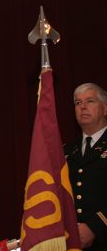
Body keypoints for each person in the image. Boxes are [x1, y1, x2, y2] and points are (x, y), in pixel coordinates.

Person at [64, 83, 107, 251]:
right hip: (72, 242)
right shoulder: (66, 151)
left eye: (90, 101)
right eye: (78, 103)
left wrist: (94, 226)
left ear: (104, 109)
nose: (83, 107)